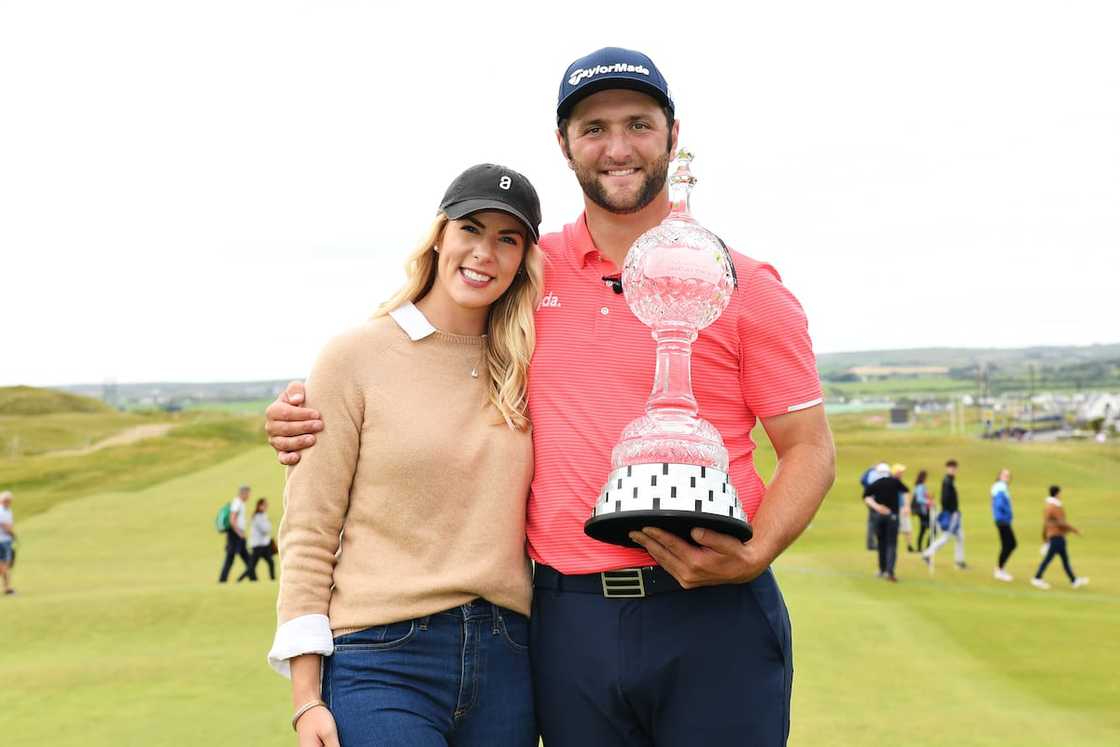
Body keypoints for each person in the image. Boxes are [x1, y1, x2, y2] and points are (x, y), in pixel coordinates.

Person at [266, 47, 836, 747]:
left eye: (638, 124)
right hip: (568, 625)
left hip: (714, 616)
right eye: (594, 128)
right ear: (563, 143)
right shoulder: (525, 274)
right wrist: (308, 408)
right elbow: (421, 355)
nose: (617, 147)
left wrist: (756, 554)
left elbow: (809, 449)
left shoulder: (744, 284)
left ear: (673, 134)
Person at [267, 163, 544, 747]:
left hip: (509, 660)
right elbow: (310, 530)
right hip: (382, 659)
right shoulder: (354, 357)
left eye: (507, 239)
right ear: (440, 235)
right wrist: (306, 700)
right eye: (470, 229)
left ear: (524, 259)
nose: (484, 253)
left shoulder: (530, 364)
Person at [1031, 485, 1088, 590]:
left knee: (1065, 560)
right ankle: (1037, 578)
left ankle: (1074, 580)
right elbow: (1062, 523)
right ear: (1057, 494)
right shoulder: (1055, 507)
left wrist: (1044, 537)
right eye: (1060, 493)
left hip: (1055, 536)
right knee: (1049, 559)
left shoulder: (1048, 506)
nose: (1061, 495)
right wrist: (1075, 531)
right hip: (1056, 537)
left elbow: (1046, 523)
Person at [863, 465, 908, 581]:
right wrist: (906, 506)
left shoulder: (875, 483)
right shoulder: (894, 482)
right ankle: (889, 571)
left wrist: (877, 507)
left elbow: (866, 497)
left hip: (879, 516)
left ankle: (882, 570)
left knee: (881, 543)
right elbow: (906, 491)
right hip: (892, 516)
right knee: (891, 544)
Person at [923, 459, 967, 569]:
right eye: (951, 468)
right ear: (947, 468)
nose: (953, 470)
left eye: (954, 468)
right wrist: (951, 512)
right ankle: (927, 554)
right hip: (951, 513)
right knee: (946, 537)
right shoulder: (947, 481)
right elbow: (945, 499)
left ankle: (959, 561)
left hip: (954, 513)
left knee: (960, 537)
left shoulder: (950, 480)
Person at [218, 485, 255, 583]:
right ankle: (222, 580)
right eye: (248, 494)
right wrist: (240, 533)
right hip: (235, 534)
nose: (249, 496)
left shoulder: (240, 503)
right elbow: (232, 519)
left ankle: (253, 578)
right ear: (243, 493)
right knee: (230, 558)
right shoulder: (237, 503)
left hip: (238, 534)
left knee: (247, 557)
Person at [239, 497, 275, 582]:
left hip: (264, 544)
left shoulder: (263, 515)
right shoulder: (257, 516)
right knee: (252, 565)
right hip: (258, 545)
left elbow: (267, 528)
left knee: (271, 562)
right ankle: (240, 579)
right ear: (259, 506)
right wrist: (268, 525)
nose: (266, 507)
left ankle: (273, 579)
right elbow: (265, 529)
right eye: (264, 505)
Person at [991, 468, 1016, 581]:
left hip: (1002, 519)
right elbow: (999, 504)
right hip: (1002, 519)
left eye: (1008, 475)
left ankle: (1000, 568)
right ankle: (999, 570)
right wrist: (1006, 514)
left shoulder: (1000, 487)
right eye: (1005, 475)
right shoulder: (1000, 487)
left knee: (1008, 544)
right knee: (1010, 544)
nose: (1007, 477)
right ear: (1000, 476)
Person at [860, 462, 889, 551]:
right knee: (876, 523)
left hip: (871, 501)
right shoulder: (875, 475)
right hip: (875, 501)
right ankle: (875, 544)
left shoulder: (871, 473)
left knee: (872, 523)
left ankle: (872, 543)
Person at [893, 463, 915, 552]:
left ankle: (909, 546)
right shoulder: (893, 483)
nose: (902, 474)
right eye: (900, 472)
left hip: (902, 508)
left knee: (907, 529)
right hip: (896, 509)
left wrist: (907, 506)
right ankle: (893, 546)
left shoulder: (900, 483)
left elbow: (906, 494)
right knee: (896, 529)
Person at [911, 469, 934, 551]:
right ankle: (928, 548)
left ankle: (920, 548)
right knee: (932, 529)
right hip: (923, 511)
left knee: (923, 530)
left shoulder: (918, 486)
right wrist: (928, 501)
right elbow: (919, 499)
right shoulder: (921, 486)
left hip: (922, 511)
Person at [0, 491, 15, 595]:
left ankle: (7, 587)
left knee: (5, 565)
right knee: (4, 565)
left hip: (6, 541)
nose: (8, 502)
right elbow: (5, 526)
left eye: (9, 500)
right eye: (6, 500)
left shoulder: (8, 510)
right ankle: (8, 588)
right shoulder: (0, 511)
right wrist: (13, 534)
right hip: (2, 541)